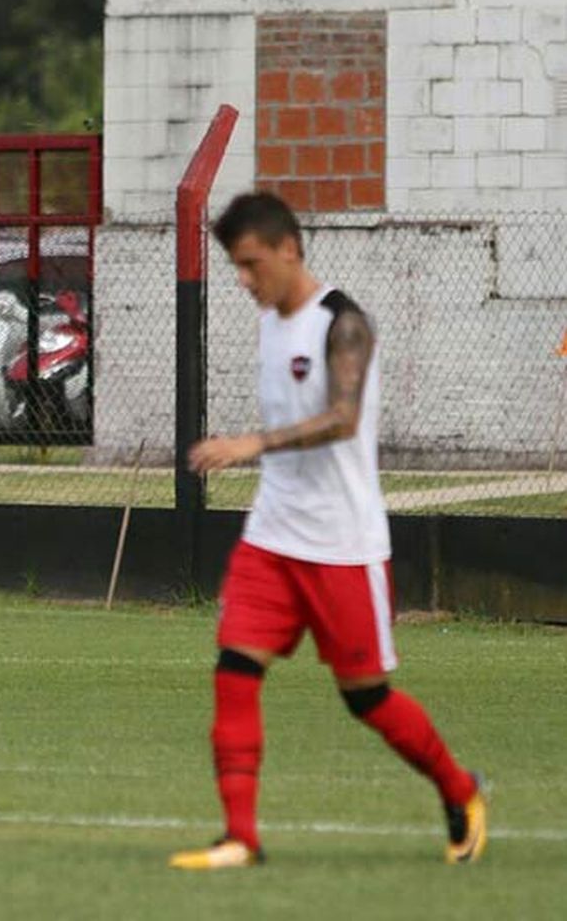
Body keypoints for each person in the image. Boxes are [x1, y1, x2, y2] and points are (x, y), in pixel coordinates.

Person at [170, 191, 486, 869]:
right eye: (237, 267)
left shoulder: (344, 324)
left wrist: (252, 444)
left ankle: (461, 789)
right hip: (271, 537)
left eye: (253, 264)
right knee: (233, 670)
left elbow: (342, 418)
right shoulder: (269, 322)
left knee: (366, 698)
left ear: (289, 250)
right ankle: (240, 837)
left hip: (343, 544)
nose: (245, 280)